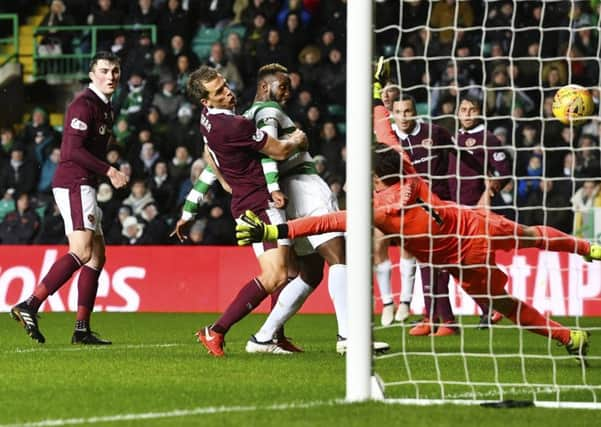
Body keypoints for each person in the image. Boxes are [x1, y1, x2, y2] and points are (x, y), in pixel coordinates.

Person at [236, 145, 600, 365]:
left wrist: (274, 231)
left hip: (463, 260)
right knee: (532, 235)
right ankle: (589, 247)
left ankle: (568, 337)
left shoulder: (379, 208)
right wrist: (378, 95)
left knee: (504, 305)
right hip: (476, 224)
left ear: (375, 178)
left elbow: (325, 222)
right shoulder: (411, 174)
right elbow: (387, 133)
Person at [172, 65, 308, 357]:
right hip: (259, 204)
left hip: (245, 200)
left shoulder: (206, 120)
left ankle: (274, 334)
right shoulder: (235, 126)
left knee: (290, 270)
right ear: (206, 101)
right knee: (276, 275)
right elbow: (279, 152)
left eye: (225, 84)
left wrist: (219, 184)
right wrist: (297, 139)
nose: (228, 92)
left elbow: (210, 157)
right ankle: (216, 331)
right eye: (219, 91)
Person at [10, 51, 129, 345]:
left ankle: (81, 329)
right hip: (75, 183)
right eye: (104, 70)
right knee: (83, 250)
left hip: (85, 183)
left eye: (115, 71)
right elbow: (71, 152)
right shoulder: (83, 105)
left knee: (97, 257)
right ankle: (30, 304)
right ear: (92, 75)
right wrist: (109, 171)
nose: (110, 76)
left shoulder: (106, 106)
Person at [448, 94, 512, 328]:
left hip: (475, 209)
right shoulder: (453, 138)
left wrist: (491, 189)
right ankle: (487, 309)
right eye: (463, 109)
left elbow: (504, 171)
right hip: (453, 208)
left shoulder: (489, 139)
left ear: (479, 112)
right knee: (460, 264)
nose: (466, 114)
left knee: (476, 262)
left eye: (471, 109)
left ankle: (492, 308)